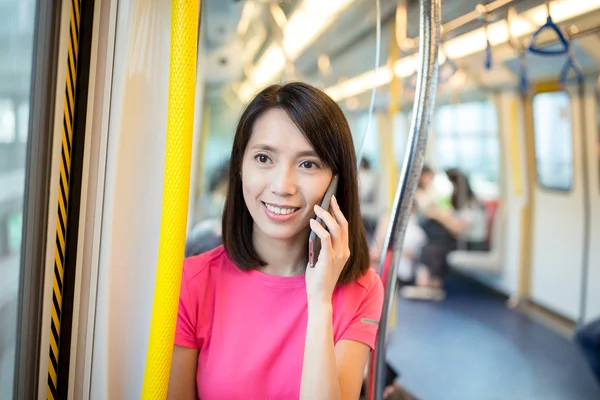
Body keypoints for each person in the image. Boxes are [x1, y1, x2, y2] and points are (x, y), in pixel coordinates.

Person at [167, 82, 385, 399]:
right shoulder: (192, 282)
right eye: (264, 158)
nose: (282, 186)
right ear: (240, 166)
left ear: (336, 183)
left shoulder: (361, 291)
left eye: (308, 164)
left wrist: (320, 300)